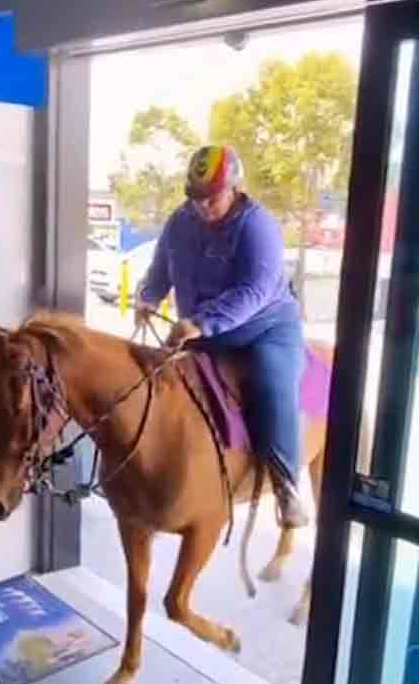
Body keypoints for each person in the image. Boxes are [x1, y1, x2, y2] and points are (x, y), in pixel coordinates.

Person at [133, 145, 310, 528]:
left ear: (234, 188)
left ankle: (287, 485)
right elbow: (162, 267)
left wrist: (201, 323)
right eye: (196, 198)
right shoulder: (179, 222)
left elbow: (255, 290)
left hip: (265, 328)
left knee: (270, 381)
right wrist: (148, 296)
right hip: (200, 329)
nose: (203, 206)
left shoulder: (257, 226)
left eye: (212, 198)